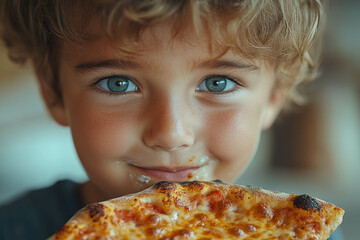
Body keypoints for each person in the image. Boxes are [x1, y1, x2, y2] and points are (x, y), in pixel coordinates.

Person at [0, 0, 341, 239]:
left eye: (216, 83)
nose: (171, 134)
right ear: (54, 93)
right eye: (118, 84)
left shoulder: (301, 231)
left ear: (273, 96)